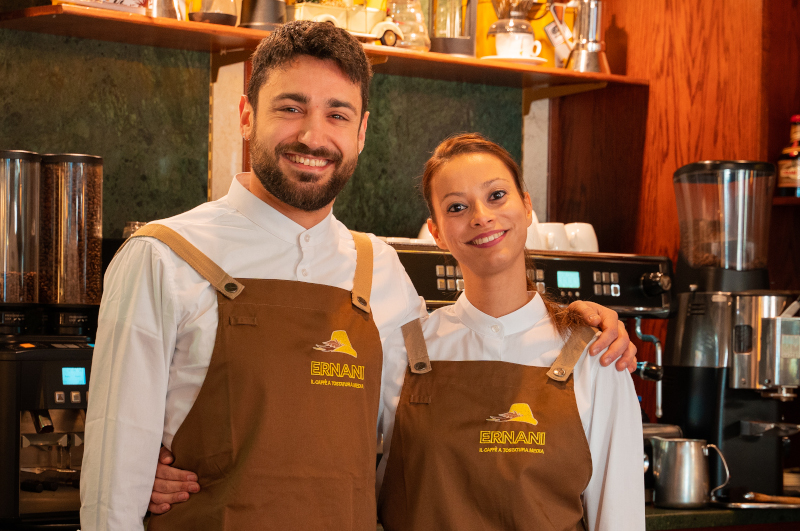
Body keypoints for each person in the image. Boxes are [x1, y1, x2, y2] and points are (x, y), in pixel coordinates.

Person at [81, 22, 636, 531]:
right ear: (247, 114)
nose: (313, 137)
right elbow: (113, 483)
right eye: (291, 108)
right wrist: (135, 472)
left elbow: (449, 398)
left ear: (363, 131)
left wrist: (575, 320)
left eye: (337, 114)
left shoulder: (380, 271)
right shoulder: (162, 257)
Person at [377, 134, 645, 530]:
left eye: (497, 195)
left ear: (527, 205)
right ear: (436, 233)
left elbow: (619, 519)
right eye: (457, 206)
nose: (481, 216)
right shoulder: (400, 350)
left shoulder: (596, 355)